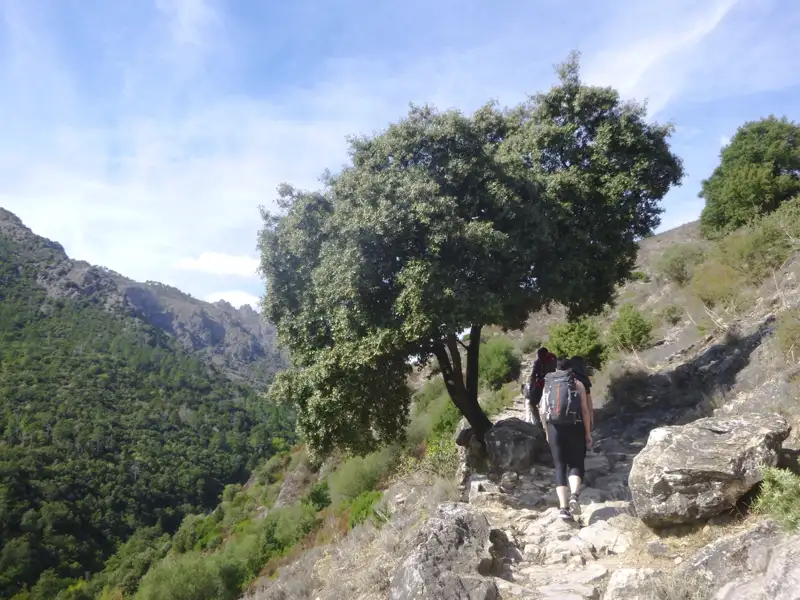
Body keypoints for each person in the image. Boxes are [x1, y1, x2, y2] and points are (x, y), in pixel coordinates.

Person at [539, 356, 592, 522]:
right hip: (575, 426)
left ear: (556, 369)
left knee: (560, 466)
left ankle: (563, 508)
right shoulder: (578, 384)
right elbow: (585, 411)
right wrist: (588, 433)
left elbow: (542, 411)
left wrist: (547, 431)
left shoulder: (548, 385)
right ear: (570, 369)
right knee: (576, 463)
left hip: (555, 428)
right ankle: (574, 496)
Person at [525, 347, 557, 426]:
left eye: (541, 356)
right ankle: (538, 422)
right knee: (532, 402)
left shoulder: (552, 360)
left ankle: (543, 421)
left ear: (546, 354)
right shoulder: (539, 362)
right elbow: (533, 375)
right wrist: (533, 386)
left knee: (537, 402)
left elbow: (533, 375)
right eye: (539, 356)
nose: (540, 358)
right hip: (543, 384)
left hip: (549, 384)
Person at [570, 355, 594, 430]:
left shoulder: (567, 380)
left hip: (568, 419)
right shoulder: (584, 380)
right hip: (582, 420)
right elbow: (589, 406)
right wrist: (591, 423)